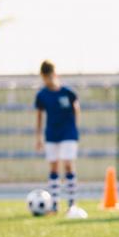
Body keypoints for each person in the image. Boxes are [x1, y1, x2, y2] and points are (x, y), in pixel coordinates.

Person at [35, 60, 81, 217]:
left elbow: (76, 109)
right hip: (52, 135)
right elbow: (40, 115)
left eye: (49, 76)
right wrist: (38, 137)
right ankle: (54, 205)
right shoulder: (42, 95)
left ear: (55, 75)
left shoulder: (68, 92)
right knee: (54, 168)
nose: (47, 80)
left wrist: (74, 129)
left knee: (68, 165)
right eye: (44, 78)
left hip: (68, 133)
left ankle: (72, 203)